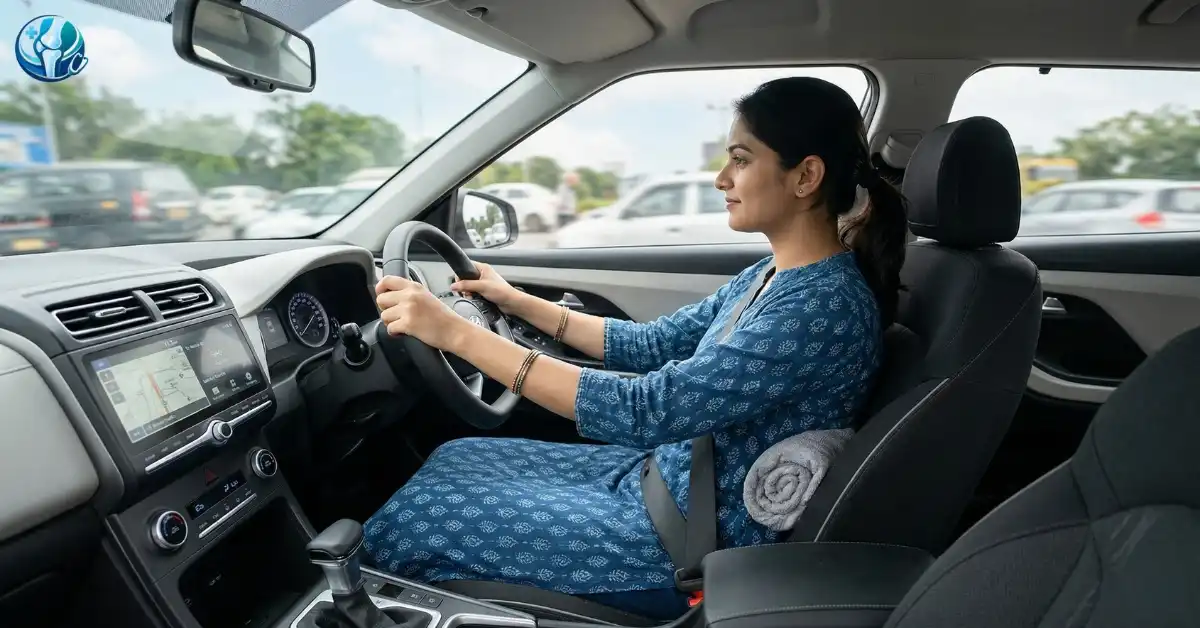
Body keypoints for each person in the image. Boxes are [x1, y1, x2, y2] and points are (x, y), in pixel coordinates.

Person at [363, 77, 909, 619]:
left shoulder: (822, 305)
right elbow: (653, 342)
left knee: (418, 519)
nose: (721, 179)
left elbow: (650, 408)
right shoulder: (773, 274)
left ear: (805, 176)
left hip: (681, 538)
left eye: (740, 160)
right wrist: (516, 301)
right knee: (458, 457)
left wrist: (457, 334)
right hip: (659, 480)